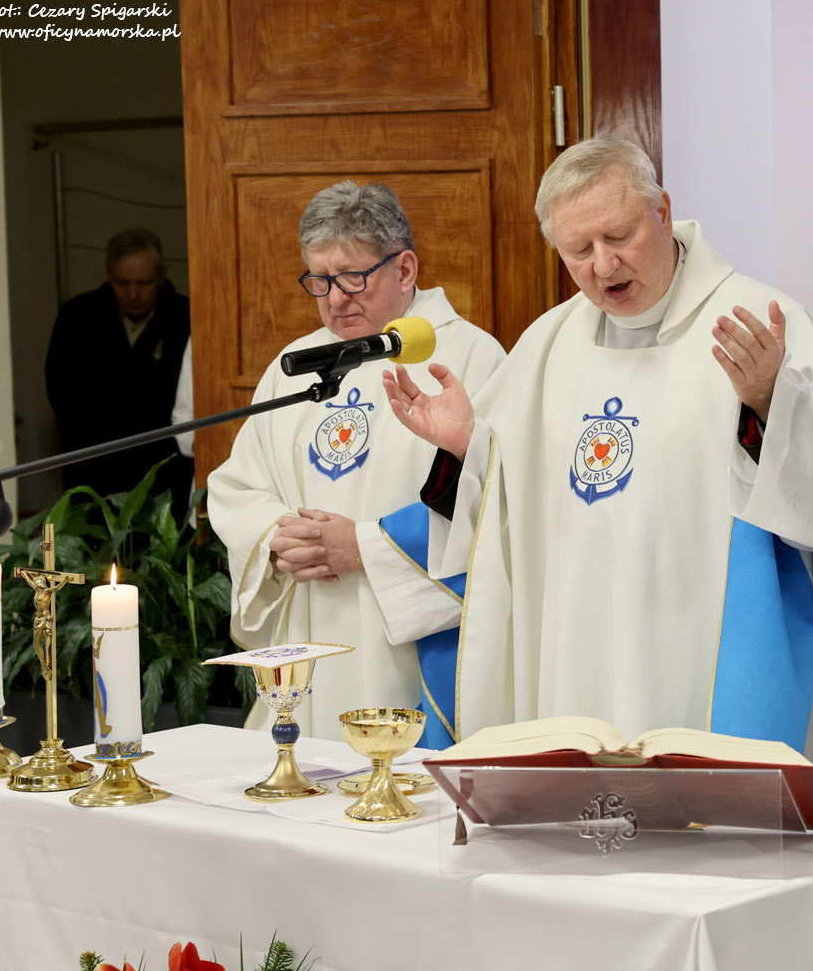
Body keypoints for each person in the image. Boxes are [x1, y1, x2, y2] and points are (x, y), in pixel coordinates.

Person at [359, 137, 813, 814]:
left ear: (663, 211)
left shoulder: (757, 321)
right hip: (573, 653)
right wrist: (467, 448)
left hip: (703, 648)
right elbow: (501, 518)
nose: (603, 265)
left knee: (708, 837)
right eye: (578, 250)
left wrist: (775, 403)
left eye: (618, 236)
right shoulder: (547, 343)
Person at [206, 181, 505, 737]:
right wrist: (279, 536)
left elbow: (493, 500)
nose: (335, 298)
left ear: (405, 269)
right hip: (310, 620)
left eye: (351, 277)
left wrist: (365, 545)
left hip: (413, 640)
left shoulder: (468, 357)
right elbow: (237, 486)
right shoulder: (296, 363)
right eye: (319, 280)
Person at [44, 228, 191, 504]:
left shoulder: (187, 317)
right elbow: (61, 394)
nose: (133, 294)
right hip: (94, 472)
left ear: (162, 275)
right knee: (67, 531)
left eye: (143, 283)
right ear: (108, 274)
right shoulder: (77, 317)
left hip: (167, 475)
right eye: (122, 283)